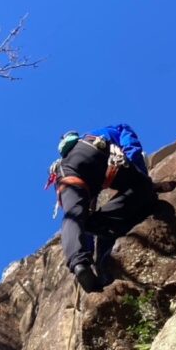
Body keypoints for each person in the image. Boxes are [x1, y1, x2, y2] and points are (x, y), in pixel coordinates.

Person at [50, 125, 156, 292]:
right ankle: (100, 222)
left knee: (74, 215)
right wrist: (137, 167)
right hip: (93, 151)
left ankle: (78, 262)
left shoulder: (65, 160)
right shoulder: (103, 132)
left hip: (64, 173)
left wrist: (87, 258)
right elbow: (125, 131)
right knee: (142, 188)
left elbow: (81, 216)